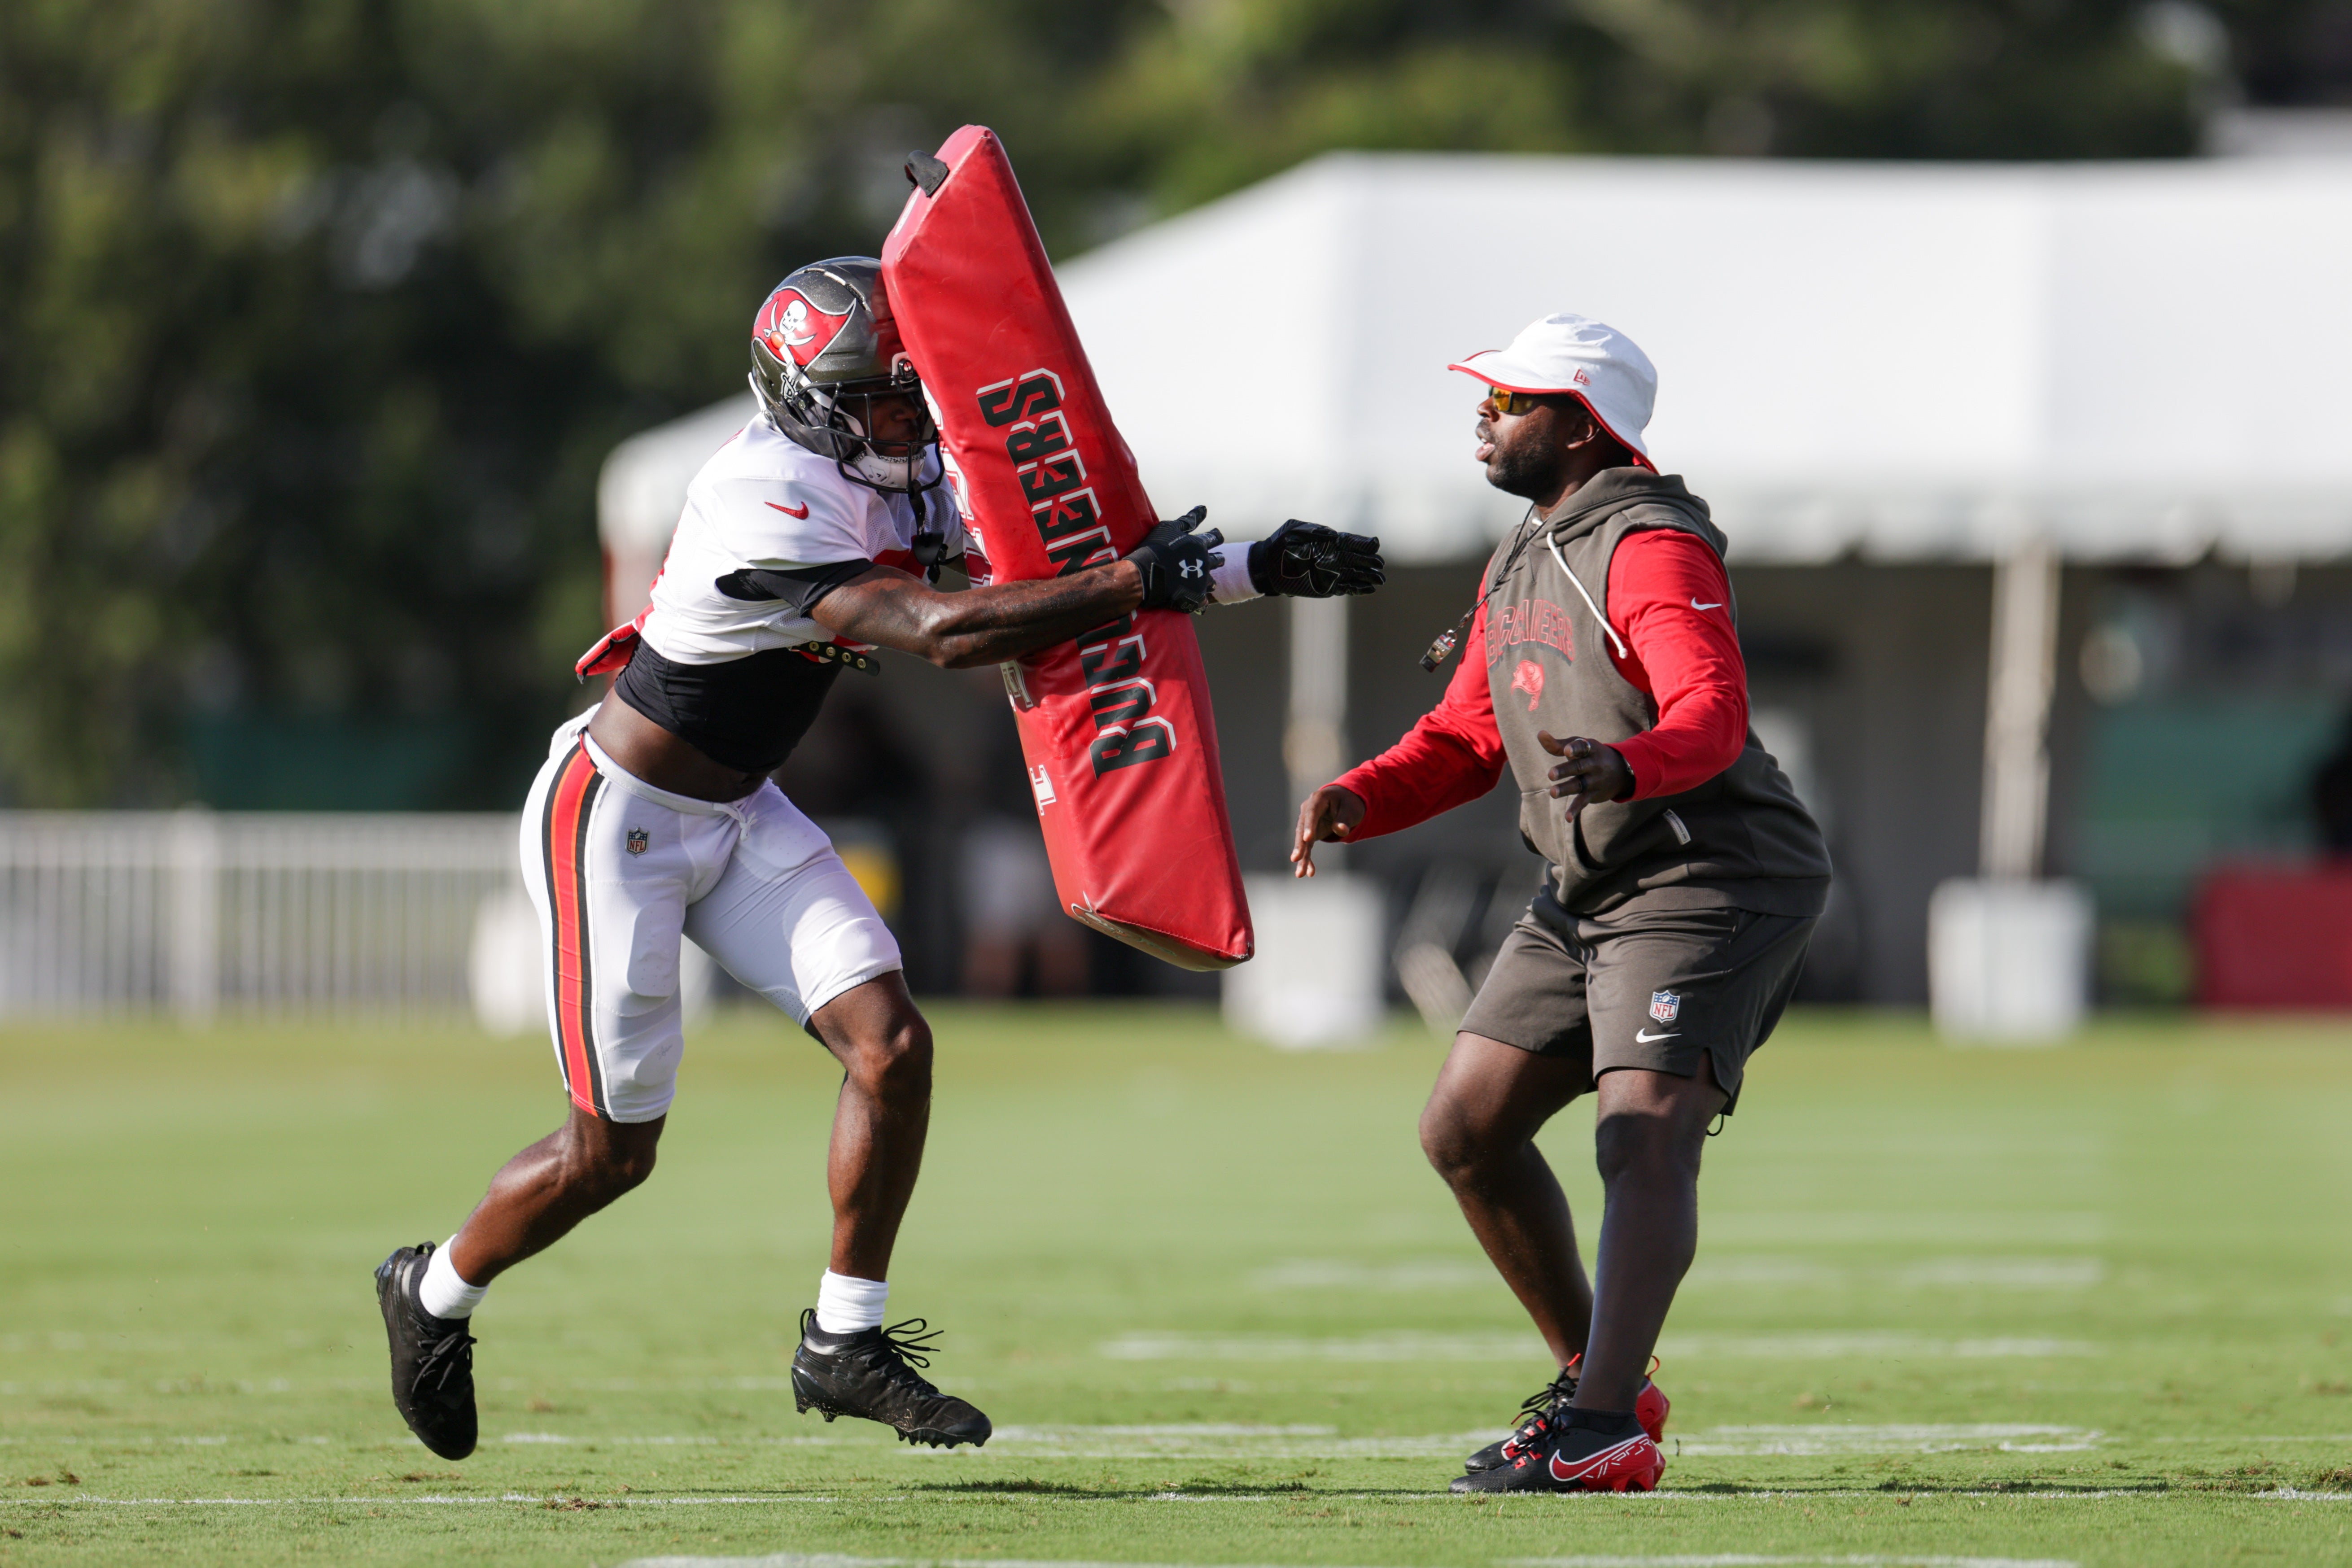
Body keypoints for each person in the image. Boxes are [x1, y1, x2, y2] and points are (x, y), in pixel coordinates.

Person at [377, 257, 1384, 1462]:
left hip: (742, 809)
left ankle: (842, 1340)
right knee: (613, 1155)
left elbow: (1062, 564)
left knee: (892, 1046)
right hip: (623, 818)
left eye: (916, 396)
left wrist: (1252, 566)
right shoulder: (762, 492)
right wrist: (1140, 579)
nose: (909, 423)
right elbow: (943, 632)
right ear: (809, 398)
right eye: (885, 401)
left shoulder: (893, 472)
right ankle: (433, 1292)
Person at [1290, 314, 1829, 1494]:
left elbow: (1710, 714)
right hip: (1589, 882)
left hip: (1707, 870)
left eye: (1510, 399)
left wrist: (1628, 765)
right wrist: (1354, 799)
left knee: (1640, 1132)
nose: (1483, 415)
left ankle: (1601, 1431)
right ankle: (1602, 1384)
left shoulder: (1645, 541)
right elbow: (1467, 736)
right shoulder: (1523, 552)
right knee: (1463, 1129)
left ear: (1581, 425)